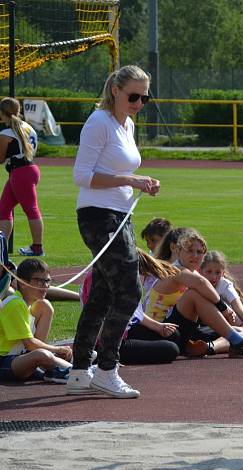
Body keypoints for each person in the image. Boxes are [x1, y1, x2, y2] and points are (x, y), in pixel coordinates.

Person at [67, 65, 159, 399]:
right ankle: (107, 369)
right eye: (133, 96)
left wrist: (141, 181)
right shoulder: (99, 122)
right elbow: (82, 175)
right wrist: (131, 180)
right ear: (116, 91)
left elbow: (119, 168)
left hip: (120, 214)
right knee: (130, 291)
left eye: (144, 98)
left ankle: (79, 370)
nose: (138, 103)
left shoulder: (127, 124)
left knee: (104, 293)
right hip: (98, 216)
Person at [143, 229, 243, 357]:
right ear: (178, 250)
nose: (195, 256)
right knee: (194, 294)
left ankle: (212, 347)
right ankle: (239, 343)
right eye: (190, 251)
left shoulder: (193, 273)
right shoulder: (175, 270)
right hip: (159, 331)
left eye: (199, 252)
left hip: (181, 330)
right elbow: (201, 283)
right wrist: (223, 308)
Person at [80, 251, 181, 365]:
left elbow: (136, 313)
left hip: (125, 331)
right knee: (171, 349)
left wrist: (159, 327)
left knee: (173, 335)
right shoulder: (100, 278)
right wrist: (109, 353)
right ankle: (100, 358)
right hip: (108, 341)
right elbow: (98, 319)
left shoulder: (124, 275)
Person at [0, 259, 73, 383]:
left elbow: (32, 346)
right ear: (22, 283)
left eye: (47, 281)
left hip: (21, 356)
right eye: (39, 281)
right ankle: (74, 371)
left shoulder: (29, 304)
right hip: (4, 360)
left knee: (45, 305)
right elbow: (30, 344)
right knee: (42, 355)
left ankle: (64, 369)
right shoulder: (16, 304)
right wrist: (57, 349)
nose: (45, 286)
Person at [0, 97, 44, 257]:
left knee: (31, 209)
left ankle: (37, 247)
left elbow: (0, 158)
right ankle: (2, 248)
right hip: (28, 169)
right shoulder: (28, 128)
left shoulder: (6, 132)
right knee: (3, 209)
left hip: (20, 172)